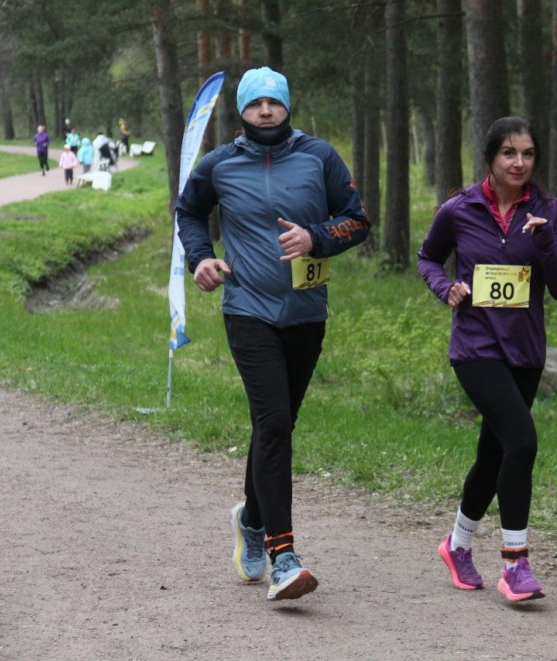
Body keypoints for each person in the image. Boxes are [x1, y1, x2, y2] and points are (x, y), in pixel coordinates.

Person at [175, 66, 370, 603]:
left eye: (274, 102)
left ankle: (252, 518)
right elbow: (188, 212)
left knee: (275, 427)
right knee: (275, 423)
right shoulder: (219, 164)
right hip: (248, 310)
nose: (265, 110)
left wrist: (316, 237)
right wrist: (201, 258)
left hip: (306, 313)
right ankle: (284, 557)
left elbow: (357, 221)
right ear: (241, 111)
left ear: (287, 107)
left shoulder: (319, 156)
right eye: (255, 103)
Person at [417, 116, 557, 604]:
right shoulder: (460, 209)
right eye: (509, 153)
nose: (519, 162)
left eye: (527, 154)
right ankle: (515, 563)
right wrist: (446, 287)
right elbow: (427, 258)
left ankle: (457, 545)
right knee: (522, 442)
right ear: (490, 156)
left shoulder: (548, 210)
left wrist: (544, 243)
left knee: (494, 454)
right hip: (476, 347)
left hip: (525, 351)